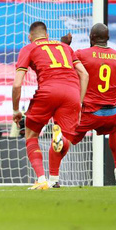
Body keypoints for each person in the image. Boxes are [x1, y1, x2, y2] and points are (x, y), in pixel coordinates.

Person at [60, 24, 116, 186]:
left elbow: (60, 65)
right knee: (115, 129)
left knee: (65, 139)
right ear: (108, 38)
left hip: (87, 114)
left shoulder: (81, 54)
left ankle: (51, 177)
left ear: (91, 38)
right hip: (110, 114)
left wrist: (65, 45)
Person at [12, 21, 89, 190]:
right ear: (47, 35)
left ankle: (41, 179)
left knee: (32, 136)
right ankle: (54, 178)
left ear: (30, 37)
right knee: (64, 138)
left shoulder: (29, 47)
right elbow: (84, 73)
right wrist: (80, 102)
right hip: (71, 94)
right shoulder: (66, 48)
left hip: (48, 91)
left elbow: (17, 84)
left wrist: (16, 110)